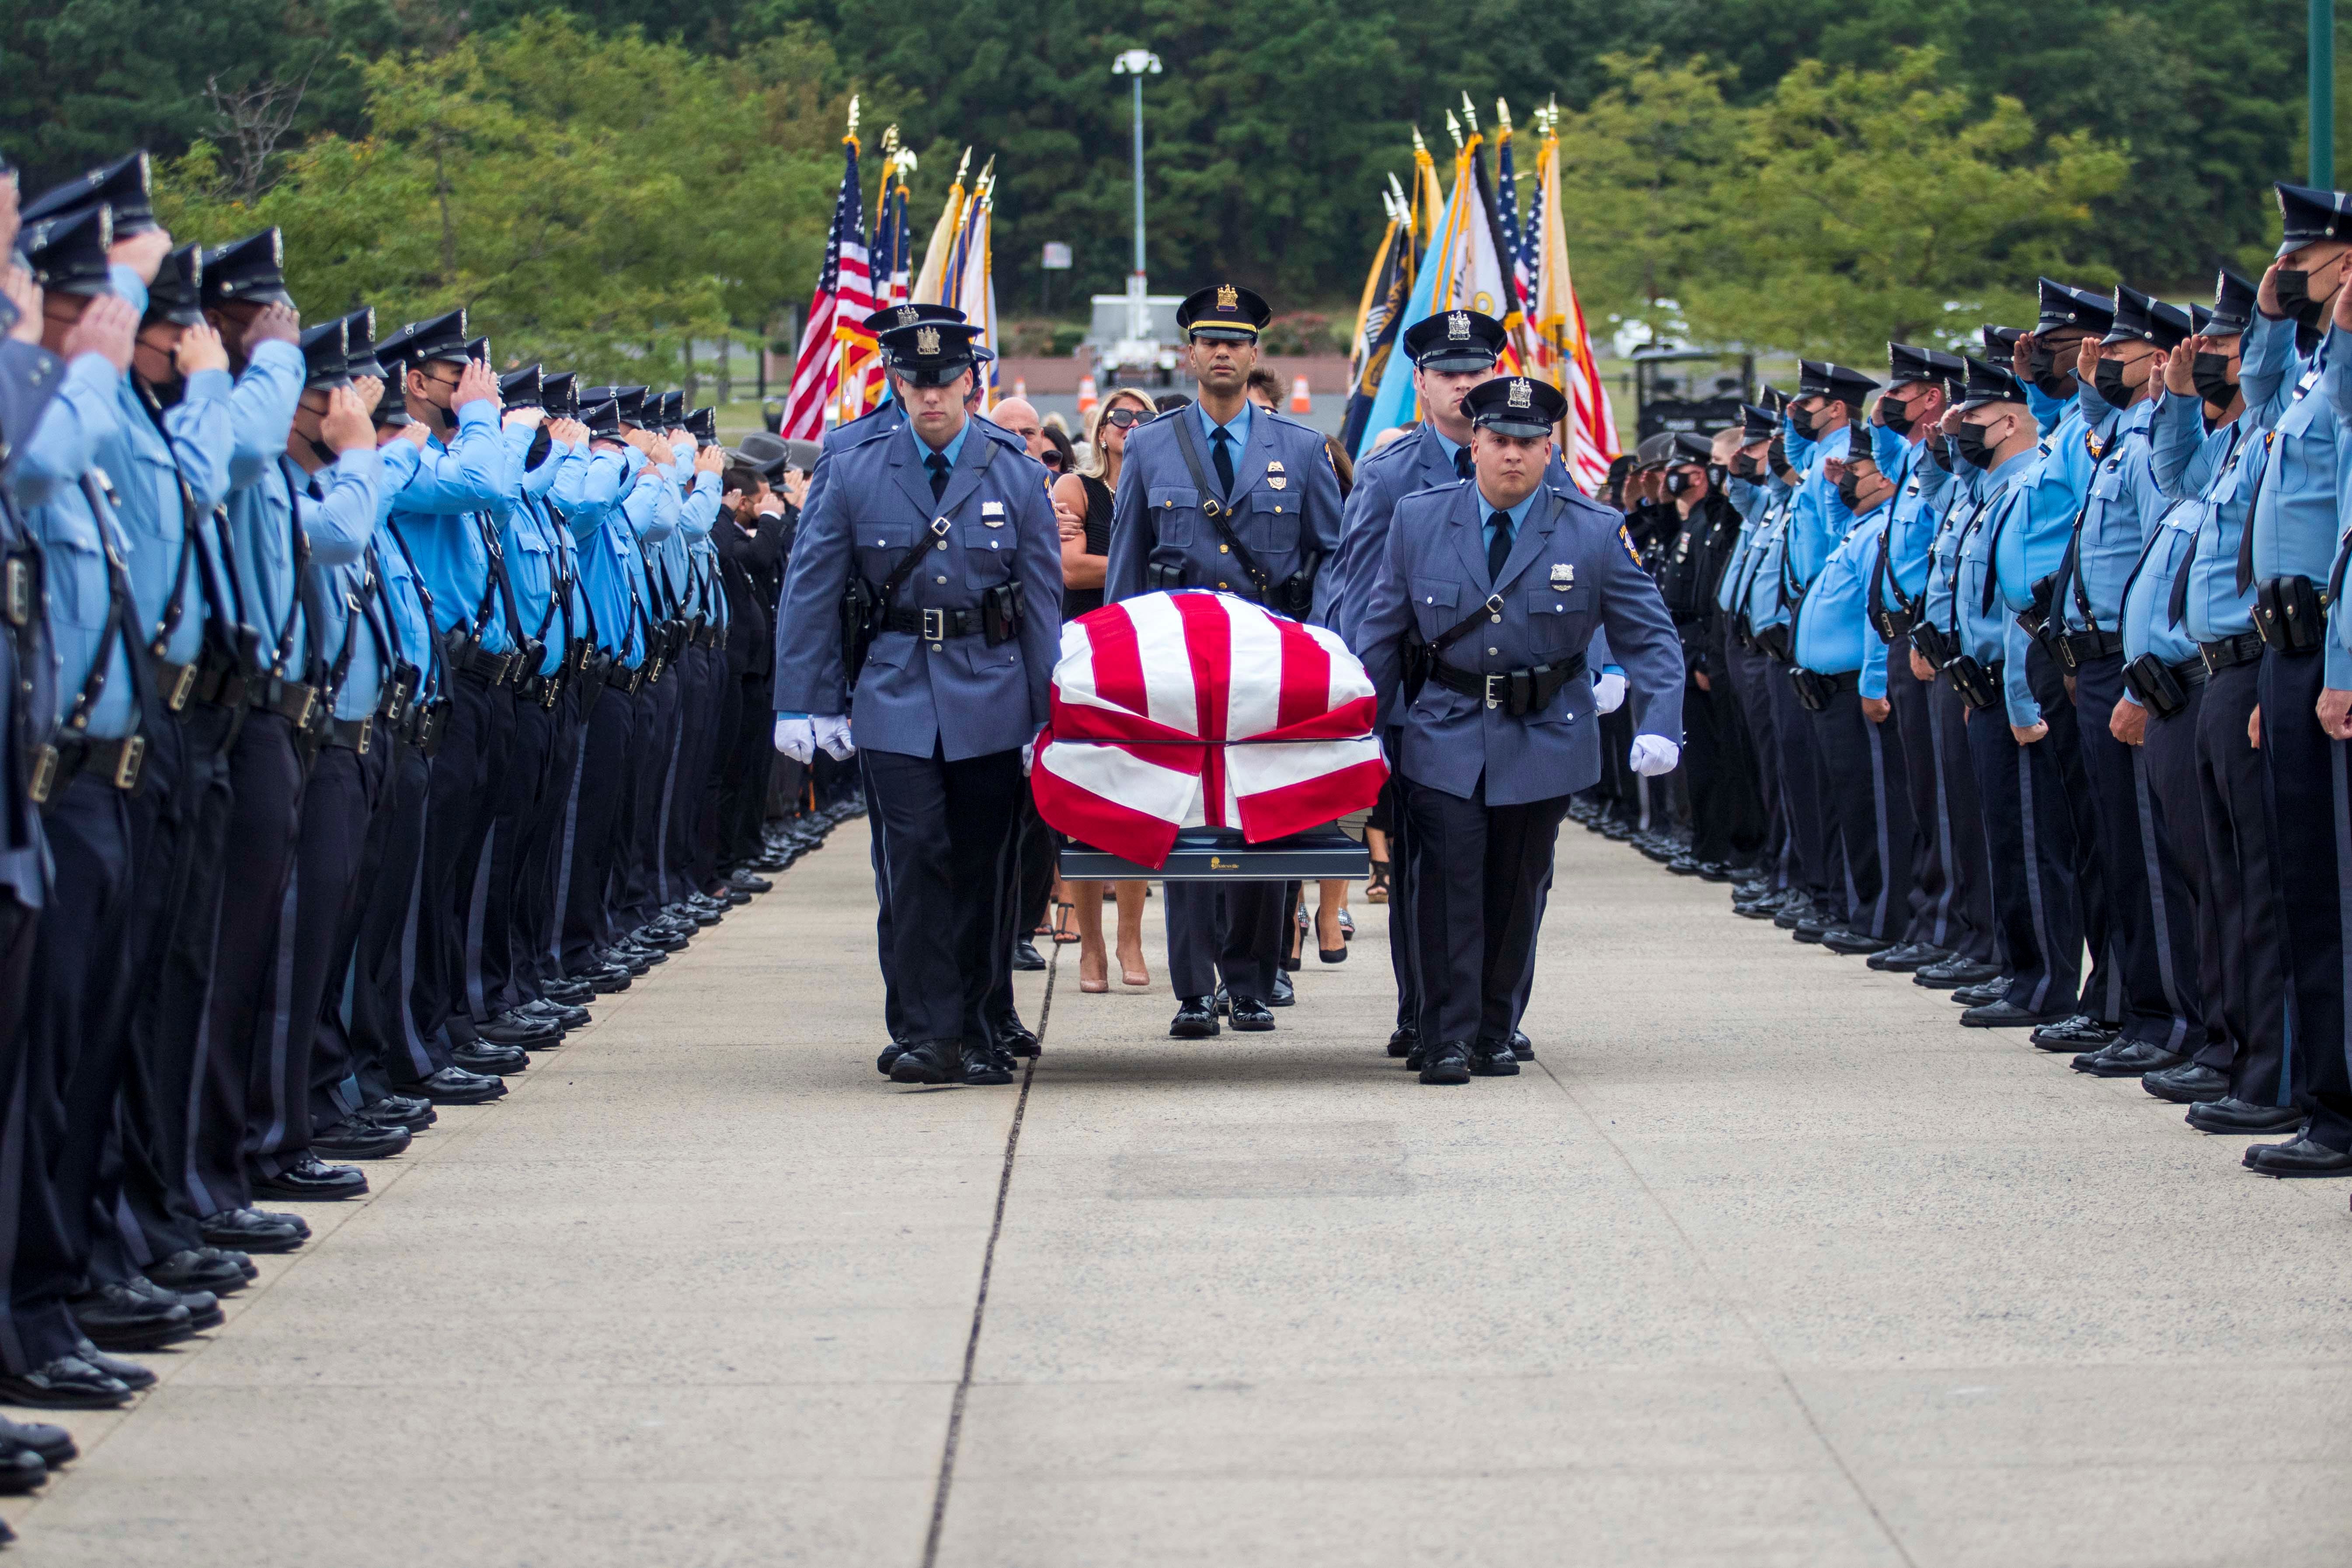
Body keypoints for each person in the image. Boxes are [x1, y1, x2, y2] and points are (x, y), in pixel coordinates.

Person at [1351, 375, 1684, 1084]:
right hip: (1444, 728)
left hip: (1544, 734)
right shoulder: (1418, 518)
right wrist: (1363, 728)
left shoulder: (1591, 530)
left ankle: (1494, 1030)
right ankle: (1444, 1034)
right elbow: (1380, 630)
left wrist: (1661, 721)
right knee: (1447, 881)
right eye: (1500, 441)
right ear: (1475, 444)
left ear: (1548, 449)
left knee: (1517, 885)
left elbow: (1650, 635)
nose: (1513, 456)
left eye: (1529, 444)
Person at [772, 317, 1061, 1086]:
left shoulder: (1013, 470)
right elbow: (812, 587)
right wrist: (806, 700)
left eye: (945, 382)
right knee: (915, 855)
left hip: (991, 689)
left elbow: (1041, 603)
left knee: (981, 863)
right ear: (896, 383)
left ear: (972, 380)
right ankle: (929, 1030)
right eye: (917, 383)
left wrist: (1046, 715)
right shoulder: (853, 461)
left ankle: (975, 1026)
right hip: (895, 686)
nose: (931, 397)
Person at [1103, 283, 1343, 1039]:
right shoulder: (1148, 445)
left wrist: (1325, 659)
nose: (1222, 352)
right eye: (1209, 340)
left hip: (1270, 674)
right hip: (1177, 671)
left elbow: (1331, 564)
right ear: (1188, 353)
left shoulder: (1300, 450)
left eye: (1236, 342)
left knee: (1263, 826)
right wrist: (1122, 672)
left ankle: (1250, 980)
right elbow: (1127, 568)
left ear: (1255, 354)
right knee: (1186, 828)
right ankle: (1193, 988)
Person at [1054, 386, 1154, 993]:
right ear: (1100, 428)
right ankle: (1091, 948)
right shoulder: (1075, 489)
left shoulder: (1162, 487)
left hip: (1146, 655)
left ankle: (1131, 940)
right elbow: (1070, 568)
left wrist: (1107, 552)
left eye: (1144, 417)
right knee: (1088, 810)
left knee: (1139, 803)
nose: (1131, 425)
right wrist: (1138, 554)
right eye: (1121, 416)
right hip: (1086, 654)